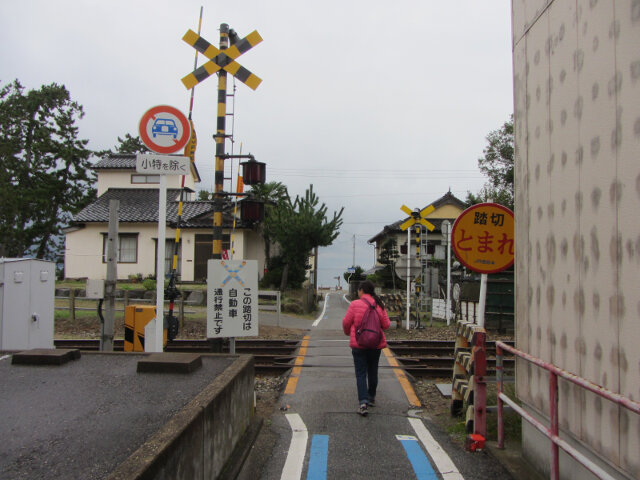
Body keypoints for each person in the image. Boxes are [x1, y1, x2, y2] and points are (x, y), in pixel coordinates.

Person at [342, 280, 391, 416]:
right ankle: (371, 397)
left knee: (361, 373)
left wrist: (348, 333)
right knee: (373, 370)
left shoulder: (355, 304)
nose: (358, 292)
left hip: (359, 343)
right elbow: (386, 325)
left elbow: (346, 322)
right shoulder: (379, 304)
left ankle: (363, 403)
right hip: (376, 344)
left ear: (362, 290)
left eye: (358, 290)